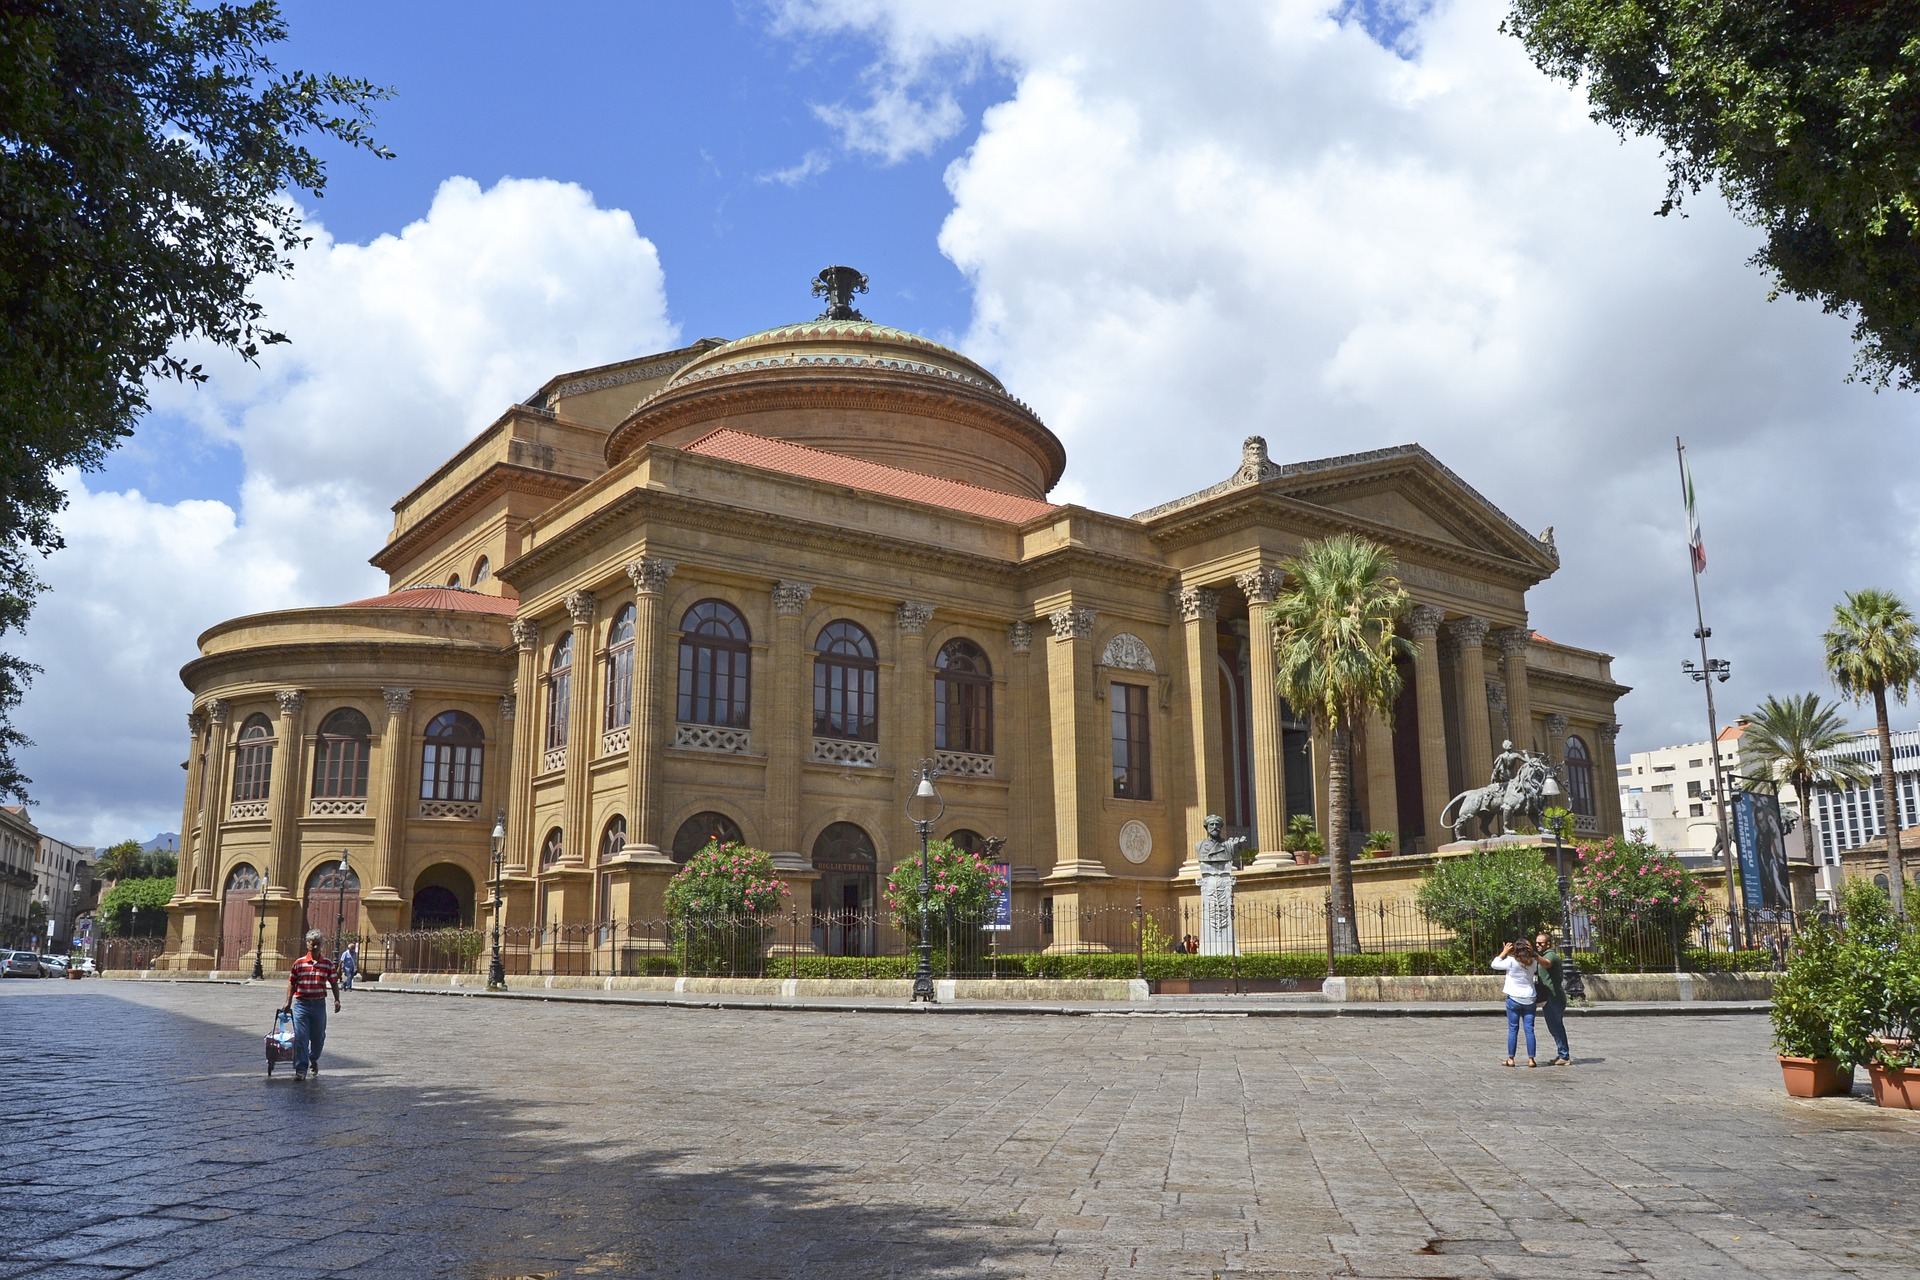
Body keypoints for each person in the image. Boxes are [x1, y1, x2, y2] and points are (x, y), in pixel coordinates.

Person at [281, 930, 341, 1081]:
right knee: (301, 1038)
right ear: (307, 943)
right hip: (301, 1005)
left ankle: (313, 1057)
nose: (314, 946)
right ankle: (301, 1069)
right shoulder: (299, 963)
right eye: (311, 943)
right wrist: (288, 1002)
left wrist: (337, 999)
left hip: (319, 1005)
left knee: (318, 1037)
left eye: (317, 944)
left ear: (322, 945)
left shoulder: (327, 964)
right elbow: (291, 983)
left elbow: (334, 983)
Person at [1491, 939, 1539, 1067]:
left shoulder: (1511, 961)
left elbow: (1495, 964)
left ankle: (1511, 1059)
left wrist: (1504, 952)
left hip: (1513, 997)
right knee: (1529, 1029)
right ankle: (1531, 1059)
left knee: (1513, 1029)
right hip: (1529, 997)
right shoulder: (1533, 962)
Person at [1534, 930, 1571, 1066]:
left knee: (1556, 1026)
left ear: (1548, 944)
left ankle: (1564, 1055)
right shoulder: (1542, 955)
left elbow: (1547, 963)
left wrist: (1534, 955)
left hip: (1554, 997)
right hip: (1548, 997)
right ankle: (1562, 1053)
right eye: (1536, 943)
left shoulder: (1551, 955)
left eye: (1540, 943)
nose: (1537, 945)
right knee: (1553, 1027)